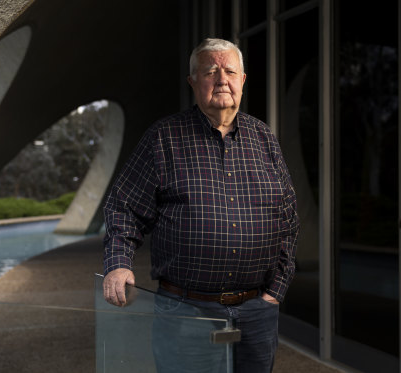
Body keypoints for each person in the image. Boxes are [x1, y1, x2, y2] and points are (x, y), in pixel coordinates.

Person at [102, 38, 299, 372]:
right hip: (186, 312)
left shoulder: (265, 139)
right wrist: (118, 263)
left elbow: (288, 220)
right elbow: (124, 207)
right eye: (210, 71)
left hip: (256, 313)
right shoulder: (163, 138)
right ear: (193, 82)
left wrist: (275, 291)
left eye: (230, 71)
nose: (222, 79)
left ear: (242, 81)